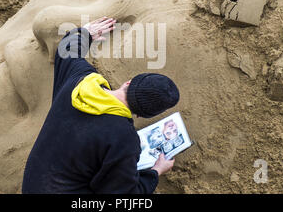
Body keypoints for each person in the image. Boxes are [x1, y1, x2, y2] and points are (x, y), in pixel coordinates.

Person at [22, 17, 180, 194]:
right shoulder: (123, 138)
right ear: (141, 115)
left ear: (128, 83)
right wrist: (156, 171)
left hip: (32, 184)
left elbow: (66, 51)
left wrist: (86, 32)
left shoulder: (81, 80)